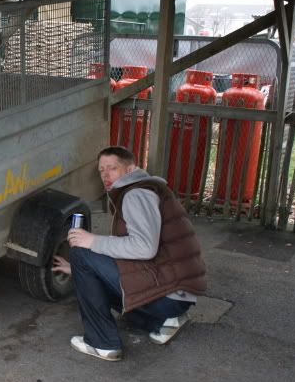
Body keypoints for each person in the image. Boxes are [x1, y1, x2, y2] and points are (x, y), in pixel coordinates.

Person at [53, 146, 206, 361]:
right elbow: (133, 251)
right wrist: (79, 270)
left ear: (131, 169)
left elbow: (144, 247)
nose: (105, 175)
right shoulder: (146, 190)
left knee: (81, 254)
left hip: (169, 294)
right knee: (88, 265)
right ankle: (165, 321)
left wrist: (92, 242)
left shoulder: (136, 194)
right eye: (101, 170)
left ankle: (102, 343)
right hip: (178, 293)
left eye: (112, 168)